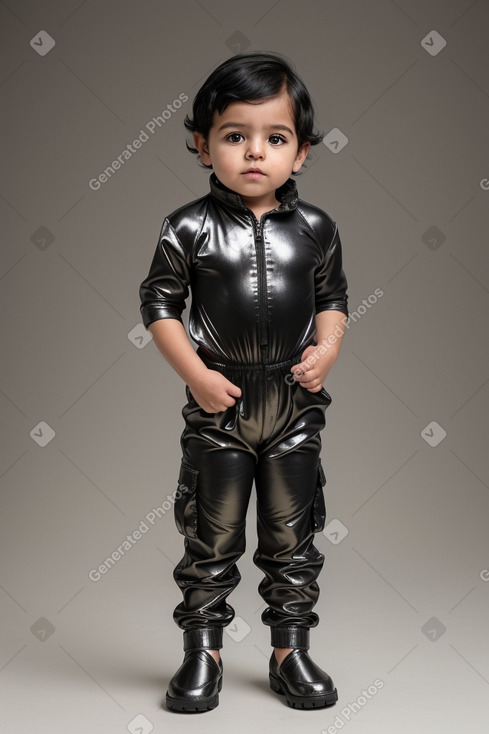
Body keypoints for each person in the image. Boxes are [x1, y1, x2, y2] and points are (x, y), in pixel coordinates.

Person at [139, 51, 349, 713]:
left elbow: (333, 297)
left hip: (292, 407)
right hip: (219, 407)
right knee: (211, 533)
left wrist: (328, 348)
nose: (254, 152)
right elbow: (159, 304)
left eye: (275, 138)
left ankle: (291, 651)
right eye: (235, 136)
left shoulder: (316, 229)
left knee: (293, 537)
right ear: (202, 144)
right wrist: (196, 375)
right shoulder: (187, 227)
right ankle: (203, 652)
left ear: (302, 153)